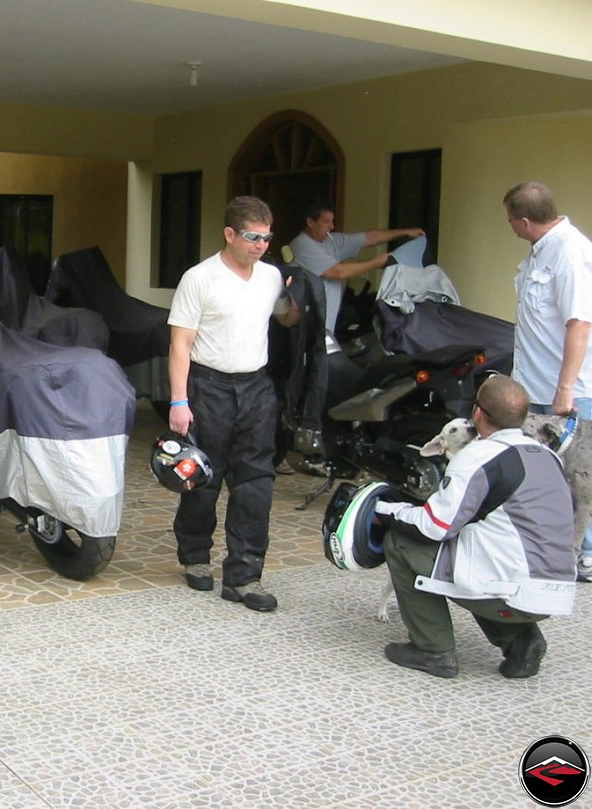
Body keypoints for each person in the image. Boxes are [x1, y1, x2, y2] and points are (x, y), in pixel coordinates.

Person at [374, 375, 576, 679]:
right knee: (481, 558)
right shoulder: (547, 455)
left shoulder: (478, 457)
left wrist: (388, 511)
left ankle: (432, 649)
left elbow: (435, 526)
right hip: (557, 592)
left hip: (512, 591)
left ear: (478, 413)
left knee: (401, 543)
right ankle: (521, 640)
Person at [167, 196, 300, 611]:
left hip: (256, 386)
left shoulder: (271, 277)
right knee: (205, 477)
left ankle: (245, 574)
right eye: (252, 236)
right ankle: (194, 556)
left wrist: (297, 298)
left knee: (256, 481)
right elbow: (180, 344)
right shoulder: (199, 278)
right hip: (209, 387)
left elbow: (287, 320)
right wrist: (178, 400)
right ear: (230, 234)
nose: (261, 244)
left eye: (267, 237)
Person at [504, 180, 592, 583]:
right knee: (545, 475)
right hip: (533, 385)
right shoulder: (540, 250)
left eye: (511, 221)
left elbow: (580, 322)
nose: (510, 227)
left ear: (524, 221)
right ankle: (549, 551)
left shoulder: (570, 252)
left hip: (567, 393)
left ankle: (584, 556)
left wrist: (566, 386)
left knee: (579, 478)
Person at [288, 197, 424, 335]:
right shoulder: (302, 246)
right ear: (310, 222)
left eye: (332, 221)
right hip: (308, 330)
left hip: (326, 327)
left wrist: (406, 232)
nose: (332, 226)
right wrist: (377, 262)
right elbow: (338, 272)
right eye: (326, 222)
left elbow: (369, 238)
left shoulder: (331, 241)